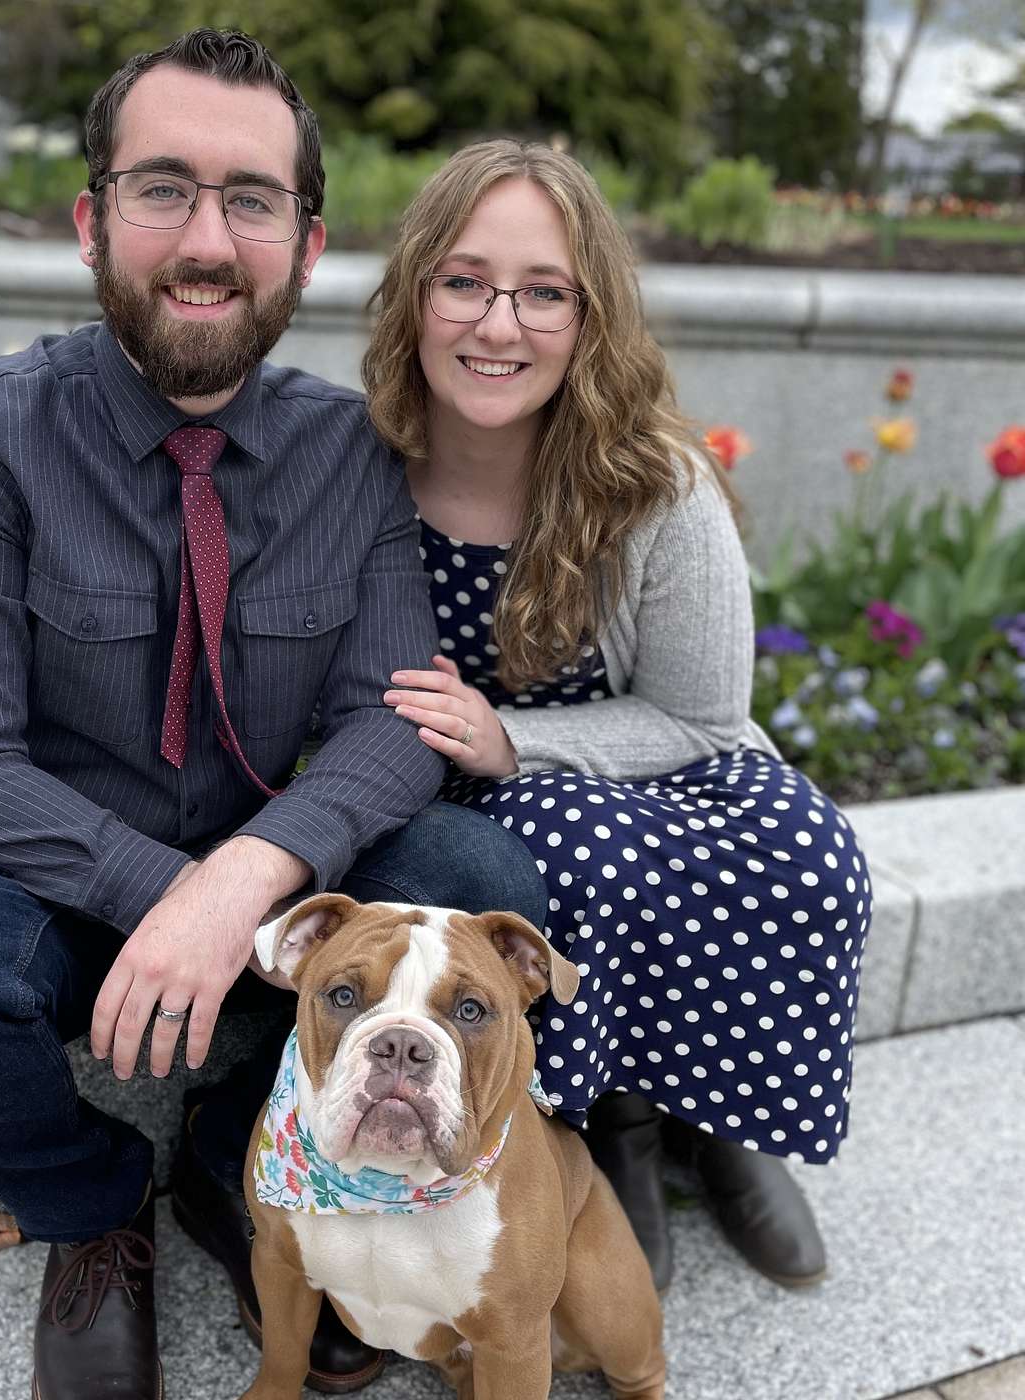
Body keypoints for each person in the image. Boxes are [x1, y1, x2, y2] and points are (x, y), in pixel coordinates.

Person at [0, 36, 546, 1400]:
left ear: (306, 245)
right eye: (164, 190)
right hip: (42, 893)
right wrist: (168, 894)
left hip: (271, 897)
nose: (209, 239)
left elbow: (390, 726)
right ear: (93, 220)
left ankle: (233, 1153)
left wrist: (246, 885)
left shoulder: (350, 453)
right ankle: (97, 1208)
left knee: (473, 876)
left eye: (252, 199)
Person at [361, 139, 871, 1293]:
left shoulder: (652, 482)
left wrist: (516, 735)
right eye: (464, 281)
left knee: (811, 853)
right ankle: (615, 1122)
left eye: (543, 292)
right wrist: (493, 755)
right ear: (415, 293)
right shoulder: (362, 464)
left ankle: (725, 1125)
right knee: (566, 851)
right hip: (479, 795)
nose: (499, 323)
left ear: (591, 317)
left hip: (656, 755)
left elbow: (700, 717)